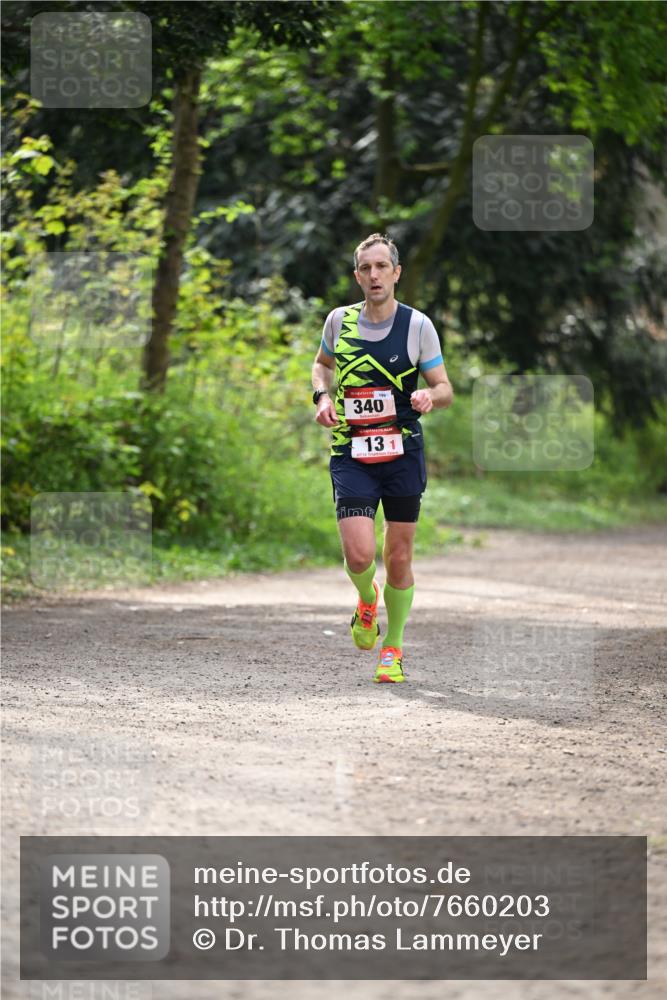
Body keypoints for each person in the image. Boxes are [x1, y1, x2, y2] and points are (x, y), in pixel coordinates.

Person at [311, 233, 453, 683]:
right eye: (365, 268)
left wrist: (430, 396)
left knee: (399, 557)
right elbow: (322, 365)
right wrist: (320, 396)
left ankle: (393, 648)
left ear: (396, 272)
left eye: (381, 267)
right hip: (351, 450)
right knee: (358, 556)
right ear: (357, 276)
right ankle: (365, 598)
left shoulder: (417, 326)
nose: (374, 275)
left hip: (401, 453)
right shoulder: (339, 321)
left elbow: (446, 388)